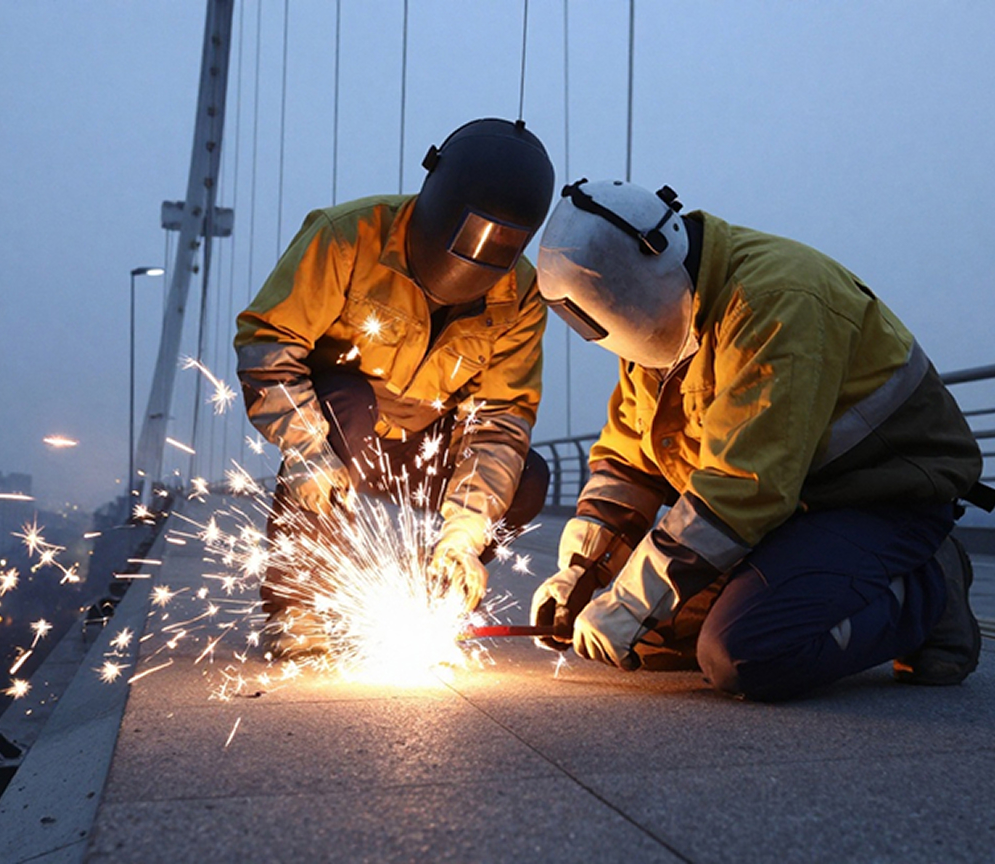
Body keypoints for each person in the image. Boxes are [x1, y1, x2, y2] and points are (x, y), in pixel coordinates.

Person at [530, 177, 989, 701]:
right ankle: (819, 586)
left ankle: (928, 589)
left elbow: (745, 484)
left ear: (645, 273)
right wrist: (581, 575)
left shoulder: (775, 301)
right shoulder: (657, 317)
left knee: (743, 653)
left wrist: (631, 600)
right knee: (647, 639)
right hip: (792, 510)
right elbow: (629, 461)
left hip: (884, 500)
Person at [235, 118, 555, 656]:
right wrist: (308, 451)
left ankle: (429, 594)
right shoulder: (346, 237)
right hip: (340, 435)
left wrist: (467, 531)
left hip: (427, 447)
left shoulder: (520, 292)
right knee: (348, 405)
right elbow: (269, 344)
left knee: (527, 477)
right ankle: (299, 605)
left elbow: (502, 418)